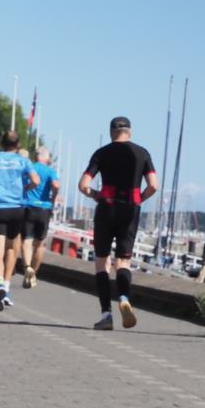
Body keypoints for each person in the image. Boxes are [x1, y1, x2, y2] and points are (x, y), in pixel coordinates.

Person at [78, 116, 158, 330]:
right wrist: (139, 199)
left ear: (112, 132)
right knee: (123, 261)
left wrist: (95, 194)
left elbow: (83, 185)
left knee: (102, 262)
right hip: (130, 208)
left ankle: (106, 315)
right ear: (129, 131)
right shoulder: (142, 153)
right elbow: (153, 185)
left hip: (106, 207)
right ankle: (124, 298)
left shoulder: (101, 153)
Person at [0, 131, 40, 311]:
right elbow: (36, 180)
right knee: (12, 248)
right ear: (18, 144)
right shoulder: (23, 161)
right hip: (17, 209)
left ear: (1, 143)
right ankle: (7, 286)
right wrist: (25, 187)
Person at [21, 147, 61, 288]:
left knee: (26, 241)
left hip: (28, 206)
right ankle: (34, 273)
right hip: (44, 208)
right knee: (40, 244)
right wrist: (53, 197)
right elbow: (56, 185)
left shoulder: (29, 168)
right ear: (46, 157)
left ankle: (27, 267)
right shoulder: (50, 171)